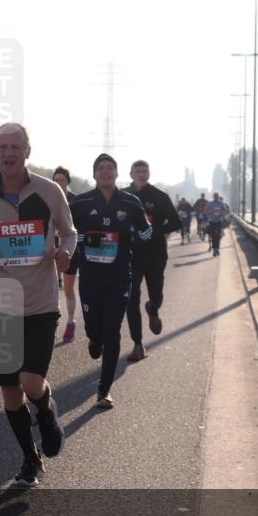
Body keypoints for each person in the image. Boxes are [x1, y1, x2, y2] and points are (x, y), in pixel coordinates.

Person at [0, 123, 76, 487]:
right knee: (10, 390)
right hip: (2, 301)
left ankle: (47, 409)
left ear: (27, 151)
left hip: (39, 300)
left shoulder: (49, 191)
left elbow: (69, 232)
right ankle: (30, 459)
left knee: (30, 380)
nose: (8, 153)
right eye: (2, 146)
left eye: (15, 146)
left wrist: (65, 253)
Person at [70, 154, 152, 408]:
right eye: (100, 168)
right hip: (90, 277)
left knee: (112, 330)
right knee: (95, 330)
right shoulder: (81, 202)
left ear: (117, 174)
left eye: (110, 168)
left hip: (120, 276)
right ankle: (94, 339)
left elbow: (146, 232)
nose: (105, 172)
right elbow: (65, 233)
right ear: (94, 174)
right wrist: (82, 239)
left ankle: (104, 390)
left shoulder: (130, 201)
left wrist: (141, 233)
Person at [123, 160, 181, 362]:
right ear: (131, 174)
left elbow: (176, 222)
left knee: (155, 293)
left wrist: (153, 231)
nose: (141, 173)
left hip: (155, 254)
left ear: (149, 173)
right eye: (137, 170)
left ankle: (153, 308)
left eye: (144, 170)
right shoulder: (123, 197)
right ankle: (138, 344)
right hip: (130, 255)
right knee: (131, 299)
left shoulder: (159, 196)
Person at [52, 166, 79, 343]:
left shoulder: (76, 201)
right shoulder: (47, 198)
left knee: (68, 289)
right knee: (51, 289)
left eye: (62, 180)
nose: (59, 183)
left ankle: (70, 321)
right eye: (56, 180)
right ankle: (51, 323)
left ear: (67, 182)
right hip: (50, 250)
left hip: (69, 250)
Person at [204, 191, 230, 257]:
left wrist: (223, 212)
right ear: (213, 197)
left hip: (219, 221)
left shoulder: (221, 203)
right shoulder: (210, 203)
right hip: (212, 221)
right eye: (215, 196)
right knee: (213, 236)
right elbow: (205, 211)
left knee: (218, 236)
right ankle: (214, 248)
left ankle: (217, 248)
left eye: (217, 196)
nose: (216, 197)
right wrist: (210, 212)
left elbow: (226, 210)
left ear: (218, 197)